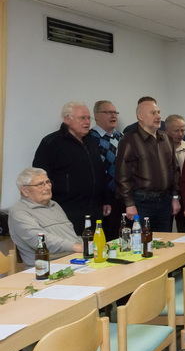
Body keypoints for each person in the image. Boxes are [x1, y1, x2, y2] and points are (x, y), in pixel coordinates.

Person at [33, 101, 109, 235]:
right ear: (67, 119)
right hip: (67, 210)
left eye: (88, 118)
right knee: (73, 246)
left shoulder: (91, 141)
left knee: (95, 245)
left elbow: (100, 172)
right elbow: (39, 176)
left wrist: (105, 200)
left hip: (95, 209)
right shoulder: (51, 143)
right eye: (82, 118)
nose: (87, 122)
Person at [115, 97, 181, 232]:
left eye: (159, 112)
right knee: (142, 242)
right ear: (140, 116)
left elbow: (174, 170)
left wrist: (175, 197)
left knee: (164, 240)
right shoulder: (129, 140)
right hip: (141, 202)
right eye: (153, 113)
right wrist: (129, 203)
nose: (159, 116)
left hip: (165, 200)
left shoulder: (166, 138)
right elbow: (122, 175)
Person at [9, 168, 84, 265]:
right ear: (25, 191)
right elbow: (41, 241)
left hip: (73, 258)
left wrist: (87, 244)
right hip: (47, 266)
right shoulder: (19, 212)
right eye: (40, 184)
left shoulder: (54, 205)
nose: (47, 187)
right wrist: (76, 246)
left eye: (48, 182)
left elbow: (70, 235)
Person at [88, 99, 123, 239]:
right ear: (96, 116)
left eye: (115, 112)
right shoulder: (90, 138)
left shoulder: (121, 137)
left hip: (122, 194)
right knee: (108, 236)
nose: (113, 116)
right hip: (103, 196)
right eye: (108, 112)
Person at [165, 114, 185, 233]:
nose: (180, 134)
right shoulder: (160, 149)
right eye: (176, 131)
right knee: (165, 229)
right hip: (166, 194)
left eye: (182, 130)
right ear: (166, 131)